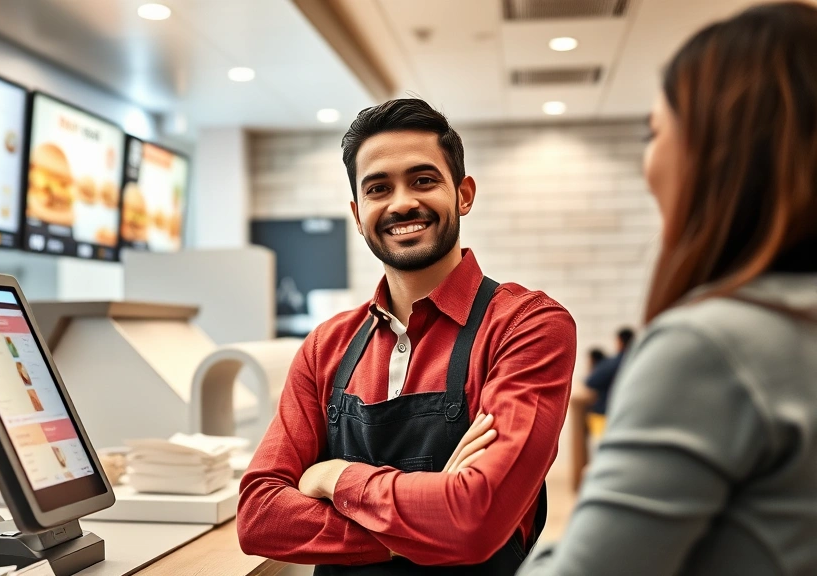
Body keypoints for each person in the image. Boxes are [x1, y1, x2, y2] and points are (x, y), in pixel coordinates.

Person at [518, 3, 817, 574]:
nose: (646, 163)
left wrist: (347, 479)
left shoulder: (712, 349)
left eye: (653, 132)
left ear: (717, 153)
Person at [238, 98, 577, 573]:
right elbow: (259, 517)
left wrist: (336, 477)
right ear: (358, 214)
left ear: (463, 194)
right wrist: (428, 525)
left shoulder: (527, 326)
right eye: (379, 188)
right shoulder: (325, 347)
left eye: (423, 180)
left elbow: (476, 519)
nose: (401, 203)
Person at [583, 327, 634, 436]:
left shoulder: (611, 364)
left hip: (606, 416)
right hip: (631, 418)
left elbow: (590, 382)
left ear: (619, 341)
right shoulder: (641, 362)